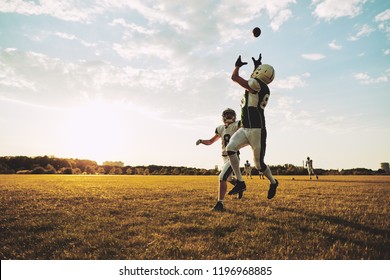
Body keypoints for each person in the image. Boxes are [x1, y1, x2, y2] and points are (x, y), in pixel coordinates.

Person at [226, 54, 279, 199]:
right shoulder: (261, 86)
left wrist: (237, 66)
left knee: (259, 165)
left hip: (257, 129)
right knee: (230, 148)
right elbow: (251, 82)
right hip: (245, 127)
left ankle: (273, 182)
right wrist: (256, 66)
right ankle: (241, 182)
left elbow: (235, 78)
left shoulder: (257, 84)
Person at [196, 108, 242, 211]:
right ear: (223, 117)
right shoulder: (220, 129)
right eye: (227, 114)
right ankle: (239, 187)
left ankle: (219, 204)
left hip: (233, 156)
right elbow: (211, 141)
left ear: (235, 116)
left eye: (231, 114)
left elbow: (245, 126)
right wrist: (202, 141)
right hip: (224, 157)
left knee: (222, 177)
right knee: (229, 178)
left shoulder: (237, 125)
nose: (229, 116)